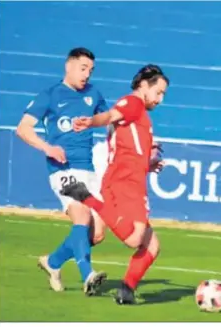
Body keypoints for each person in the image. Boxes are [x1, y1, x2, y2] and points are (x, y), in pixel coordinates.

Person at [60, 64, 169, 305]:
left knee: (152, 246)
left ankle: (126, 290)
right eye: (158, 92)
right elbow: (109, 116)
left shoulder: (140, 112)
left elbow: (129, 148)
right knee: (134, 240)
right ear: (143, 86)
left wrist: (148, 164)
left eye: (163, 95)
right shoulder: (133, 103)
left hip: (133, 180)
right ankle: (87, 198)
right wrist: (90, 122)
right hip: (124, 183)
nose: (160, 99)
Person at [16, 47, 108, 295]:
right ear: (68, 66)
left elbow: (108, 120)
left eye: (90, 69)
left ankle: (53, 262)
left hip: (88, 169)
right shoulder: (50, 95)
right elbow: (23, 129)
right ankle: (87, 275)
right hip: (63, 169)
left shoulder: (93, 94)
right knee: (82, 218)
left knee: (97, 234)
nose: (87, 74)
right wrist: (47, 148)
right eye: (82, 68)